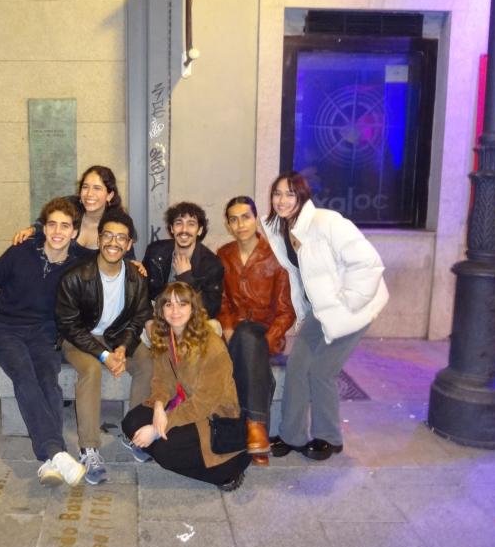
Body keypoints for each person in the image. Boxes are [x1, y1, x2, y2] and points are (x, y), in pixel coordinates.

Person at [263, 172, 388, 461]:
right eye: (277, 193)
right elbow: (300, 275)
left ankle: (329, 438)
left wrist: (347, 303)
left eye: (290, 194)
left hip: (353, 310)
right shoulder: (283, 229)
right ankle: (291, 435)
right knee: (297, 367)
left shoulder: (327, 222)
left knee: (321, 371)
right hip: (321, 313)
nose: (282, 200)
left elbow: (368, 263)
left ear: (302, 197)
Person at [0, 197, 88, 487]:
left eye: (65, 226)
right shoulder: (21, 251)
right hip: (6, 328)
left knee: (48, 379)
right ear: (44, 227)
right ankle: (56, 451)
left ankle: (52, 462)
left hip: (45, 331)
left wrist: (135, 264)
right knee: (23, 374)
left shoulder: (80, 262)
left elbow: (111, 257)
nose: (58, 231)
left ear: (74, 232)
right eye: (52, 224)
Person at [56, 208, 153, 484]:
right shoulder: (75, 277)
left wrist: (122, 348)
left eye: (121, 238)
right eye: (108, 235)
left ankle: (133, 433)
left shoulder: (137, 277)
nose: (114, 242)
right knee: (92, 370)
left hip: (116, 336)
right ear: (98, 240)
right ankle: (89, 449)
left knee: (147, 363)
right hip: (80, 338)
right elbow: (69, 326)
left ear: (130, 244)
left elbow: (138, 319)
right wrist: (103, 355)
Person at [122, 282, 250, 491]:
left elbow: (204, 404)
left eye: (182, 304)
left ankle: (228, 470)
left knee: (165, 451)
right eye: (169, 305)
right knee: (131, 422)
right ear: (161, 310)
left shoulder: (212, 346)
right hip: (183, 402)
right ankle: (179, 449)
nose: (175, 311)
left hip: (214, 415)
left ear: (193, 308)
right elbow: (163, 380)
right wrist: (158, 408)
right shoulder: (166, 336)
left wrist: (156, 429)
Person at [217, 196, 296, 466]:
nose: (240, 224)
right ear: (228, 224)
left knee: (250, 336)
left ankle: (252, 426)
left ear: (256, 218)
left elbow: (287, 309)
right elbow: (222, 300)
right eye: (234, 219)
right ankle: (256, 429)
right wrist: (227, 326)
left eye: (246, 217)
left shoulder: (276, 255)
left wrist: (272, 338)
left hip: (264, 331)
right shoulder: (223, 254)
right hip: (234, 332)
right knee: (243, 337)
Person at [13, 165, 133, 253]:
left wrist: (134, 266)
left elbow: (127, 255)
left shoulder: (119, 221)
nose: (89, 194)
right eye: (85, 187)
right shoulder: (69, 206)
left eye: (97, 188)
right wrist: (31, 230)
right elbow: (47, 222)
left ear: (110, 195)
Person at [143, 201, 224, 319]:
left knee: (213, 326)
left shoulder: (211, 264)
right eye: (178, 223)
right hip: (158, 314)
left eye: (191, 224)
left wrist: (186, 278)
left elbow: (210, 310)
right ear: (171, 228)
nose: (184, 229)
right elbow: (142, 294)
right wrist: (149, 320)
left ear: (200, 230)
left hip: (192, 318)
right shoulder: (155, 252)